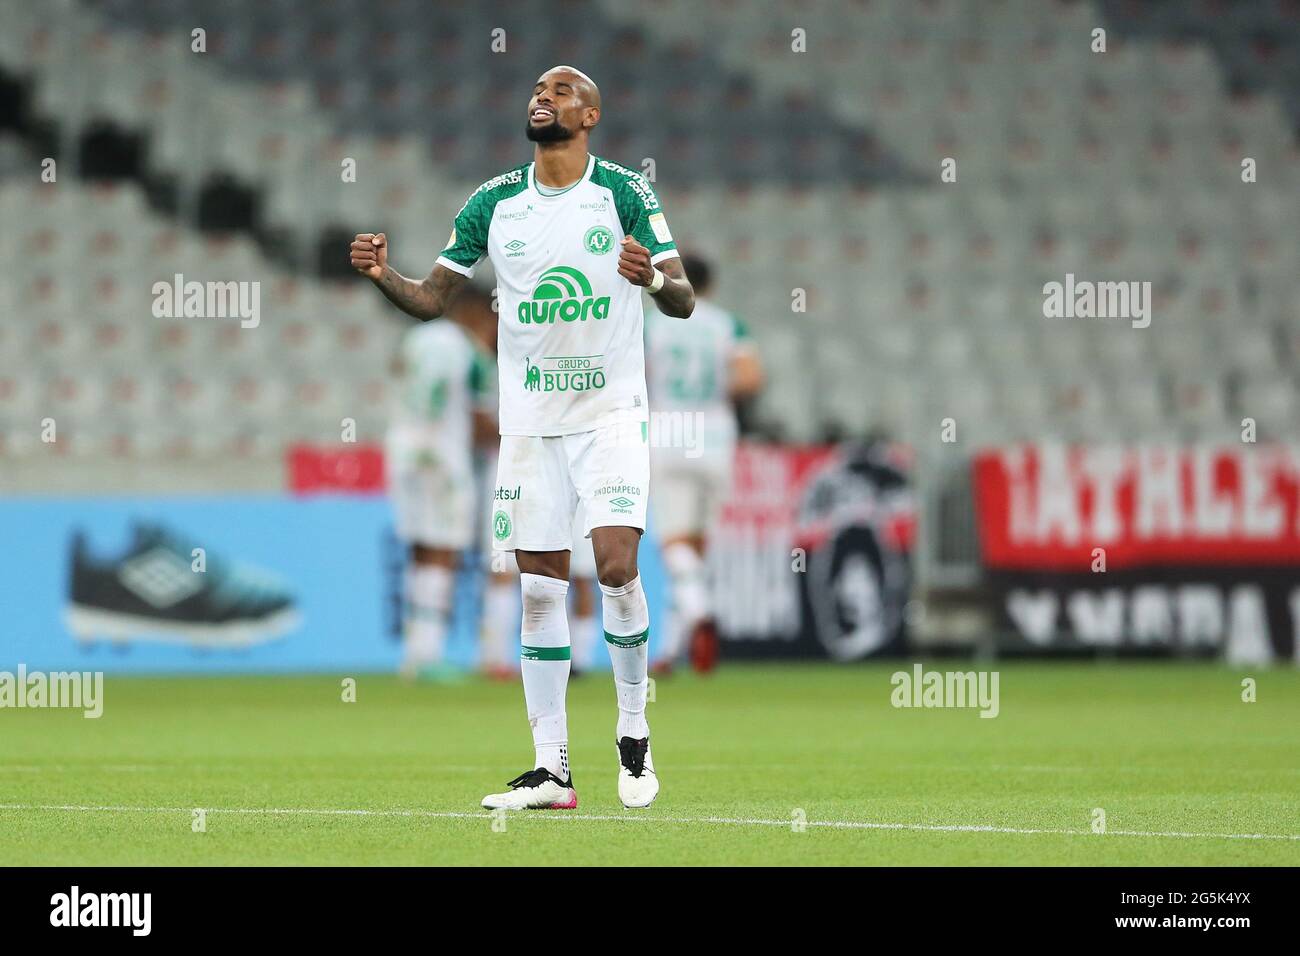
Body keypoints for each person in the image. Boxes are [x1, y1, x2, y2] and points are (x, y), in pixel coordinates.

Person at [351, 66, 694, 810]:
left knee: (612, 564)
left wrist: (654, 281)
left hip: (609, 415)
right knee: (538, 589)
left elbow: (684, 298)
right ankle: (552, 770)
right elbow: (431, 299)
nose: (545, 96)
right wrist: (384, 274)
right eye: (538, 89)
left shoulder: (625, 193)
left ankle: (633, 732)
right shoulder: (493, 203)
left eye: (563, 90)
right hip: (530, 426)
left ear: (591, 114)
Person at [644, 254, 764, 673]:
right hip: (714, 435)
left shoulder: (652, 323)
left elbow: (634, 375)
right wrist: (713, 394)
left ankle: (697, 615)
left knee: (675, 545)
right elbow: (750, 379)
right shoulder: (726, 324)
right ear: (710, 286)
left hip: (667, 432)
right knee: (697, 545)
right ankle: (670, 651)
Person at [385, 285, 497, 680]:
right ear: (476, 315)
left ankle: (413, 654)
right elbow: (480, 419)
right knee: (444, 550)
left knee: (419, 547)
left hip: (402, 451)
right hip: (443, 457)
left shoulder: (417, 337)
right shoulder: (472, 352)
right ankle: (428, 655)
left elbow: (397, 372)